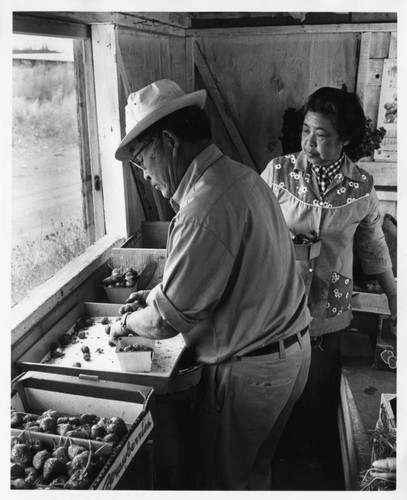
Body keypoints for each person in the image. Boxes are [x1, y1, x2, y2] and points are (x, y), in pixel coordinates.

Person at [110, 79, 312, 490]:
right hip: (289, 354)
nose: (144, 176)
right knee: (253, 475)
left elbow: (165, 324)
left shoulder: (204, 205)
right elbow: (214, 274)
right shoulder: (240, 176)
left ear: (168, 141)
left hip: (250, 373)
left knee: (219, 485)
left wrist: (125, 324)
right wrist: (150, 296)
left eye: (141, 159)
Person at [261, 86, 397, 489]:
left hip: (331, 303)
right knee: (278, 393)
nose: (309, 143)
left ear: (345, 140)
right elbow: (251, 229)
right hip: (279, 301)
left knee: (318, 395)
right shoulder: (278, 172)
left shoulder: (361, 186)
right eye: (306, 131)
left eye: (321, 135)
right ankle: (273, 473)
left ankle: (308, 474)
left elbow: (373, 245)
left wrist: (394, 296)